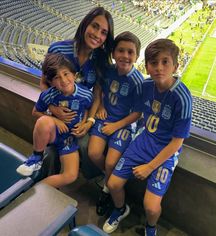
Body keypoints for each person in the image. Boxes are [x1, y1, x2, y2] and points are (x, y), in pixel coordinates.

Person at [102, 39, 192, 236]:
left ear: (175, 66)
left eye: (165, 62)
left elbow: (177, 142)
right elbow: (138, 112)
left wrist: (150, 166)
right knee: (113, 184)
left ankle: (151, 229)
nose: (159, 67)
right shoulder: (146, 85)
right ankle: (120, 209)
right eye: (153, 63)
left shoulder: (182, 97)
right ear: (147, 66)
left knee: (150, 207)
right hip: (143, 141)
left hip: (166, 151)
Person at [39, 7, 114, 180]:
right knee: (50, 155)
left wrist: (89, 121)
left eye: (103, 32)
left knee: (87, 145)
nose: (97, 34)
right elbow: (44, 82)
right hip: (58, 115)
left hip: (83, 115)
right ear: (85, 24)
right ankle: (46, 191)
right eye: (95, 26)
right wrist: (54, 109)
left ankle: (97, 182)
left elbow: (97, 95)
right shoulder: (58, 50)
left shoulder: (101, 60)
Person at [88, 31, 144, 216]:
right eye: (121, 50)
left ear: (136, 56)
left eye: (130, 52)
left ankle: (107, 190)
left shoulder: (137, 81)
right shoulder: (108, 70)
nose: (125, 56)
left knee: (112, 162)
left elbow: (137, 113)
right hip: (105, 118)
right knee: (94, 153)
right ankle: (108, 181)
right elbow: (99, 89)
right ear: (113, 53)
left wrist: (116, 126)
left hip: (124, 125)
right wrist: (101, 105)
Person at [16, 53, 93, 188]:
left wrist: (85, 121)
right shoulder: (48, 95)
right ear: (51, 82)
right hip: (54, 133)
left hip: (69, 139)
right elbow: (36, 112)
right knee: (43, 122)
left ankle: (36, 190)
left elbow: (88, 108)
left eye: (66, 74)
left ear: (74, 75)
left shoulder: (85, 94)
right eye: (57, 77)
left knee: (71, 175)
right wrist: (55, 120)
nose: (63, 80)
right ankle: (36, 158)